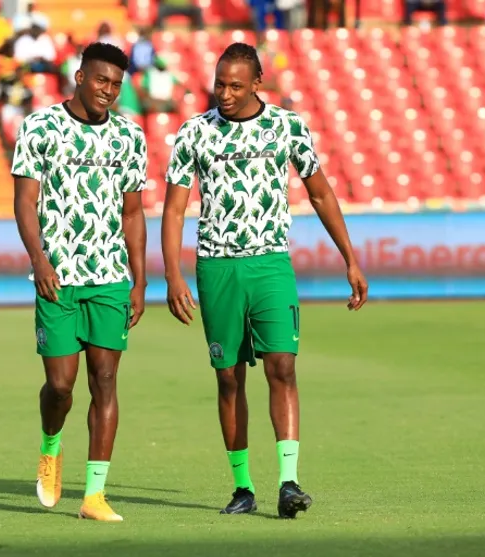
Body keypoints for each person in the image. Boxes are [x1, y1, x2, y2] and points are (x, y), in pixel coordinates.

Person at [161, 43, 368, 518]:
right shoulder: (194, 132)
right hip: (217, 267)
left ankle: (289, 483)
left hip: (271, 263)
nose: (225, 94)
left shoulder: (287, 126)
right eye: (219, 84)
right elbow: (174, 209)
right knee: (228, 379)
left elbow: (320, 194)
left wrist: (351, 259)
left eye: (236, 85)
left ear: (258, 83)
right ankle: (242, 488)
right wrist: (172, 274)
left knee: (283, 367)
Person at [11, 42, 148, 523]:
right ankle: (51, 445)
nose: (108, 90)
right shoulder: (40, 127)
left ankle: (94, 495)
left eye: (116, 84)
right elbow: (25, 202)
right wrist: (39, 260)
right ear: (80, 76)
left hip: (110, 277)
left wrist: (139, 279)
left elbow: (133, 212)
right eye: (101, 80)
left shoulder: (130, 136)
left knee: (105, 380)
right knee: (61, 385)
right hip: (57, 278)